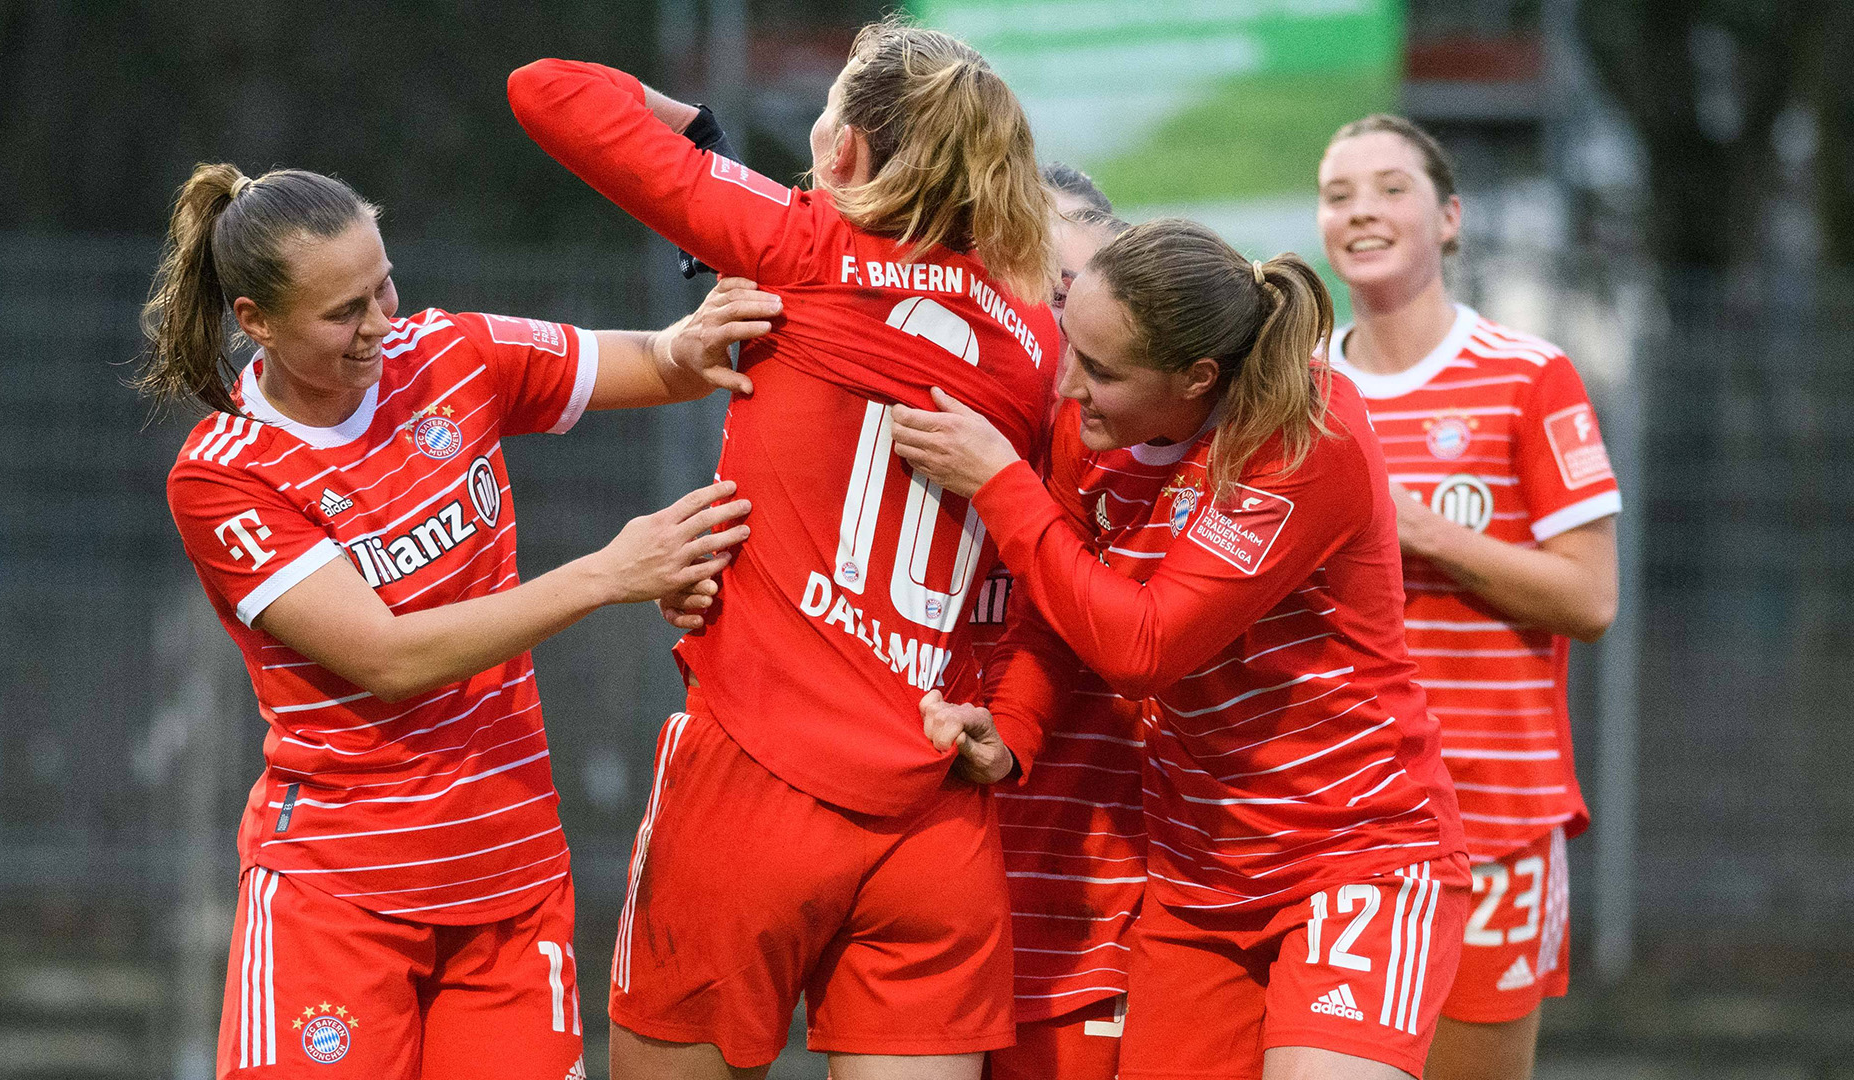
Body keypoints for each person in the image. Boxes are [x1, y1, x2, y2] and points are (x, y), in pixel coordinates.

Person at [506, 15, 1058, 1080]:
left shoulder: (801, 239)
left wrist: (698, 129)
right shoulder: (1037, 338)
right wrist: (1020, 723)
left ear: (845, 148)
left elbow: (548, 88)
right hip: (937, 811)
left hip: (756, 783)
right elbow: (1051, 571)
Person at [142, 162, 771, 1079]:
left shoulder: (448, 353)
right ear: (255, 322)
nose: (380, 324)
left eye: (383, 284)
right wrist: (605, 575)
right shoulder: (227, 474)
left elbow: (654, 364)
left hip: (509, 884)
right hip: (340, 894)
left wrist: (697, 341)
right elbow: (388, 659)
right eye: (342, 311)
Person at [890, 219, 1471, 1080]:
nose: (1068, 385)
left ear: (1197, 377)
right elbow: (1057, 609)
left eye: (1102, 371)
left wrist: (1001, 486)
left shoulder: (1305, 431)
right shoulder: (1083, 434)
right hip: (1198, 876)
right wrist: (1010, 732)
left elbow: (1144, 646)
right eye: (1070, 348)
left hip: (1356, 853)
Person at [1316, 114, 1620, 1080]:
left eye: (1390, 187)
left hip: (1494, 816)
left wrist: (1420, 528)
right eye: (1339, 193)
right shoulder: (1300, 390)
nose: (1363, 209)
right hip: (1339, 820)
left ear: (1449, 218)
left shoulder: (1529, 376)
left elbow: (1591, 596)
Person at [974, 164, 1140, 1080]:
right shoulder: (925, 436)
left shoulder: (1146, 472)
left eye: (1065, 295)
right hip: (935, 900)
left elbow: (1131, 642)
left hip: (1089, 904)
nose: (1042, 330)